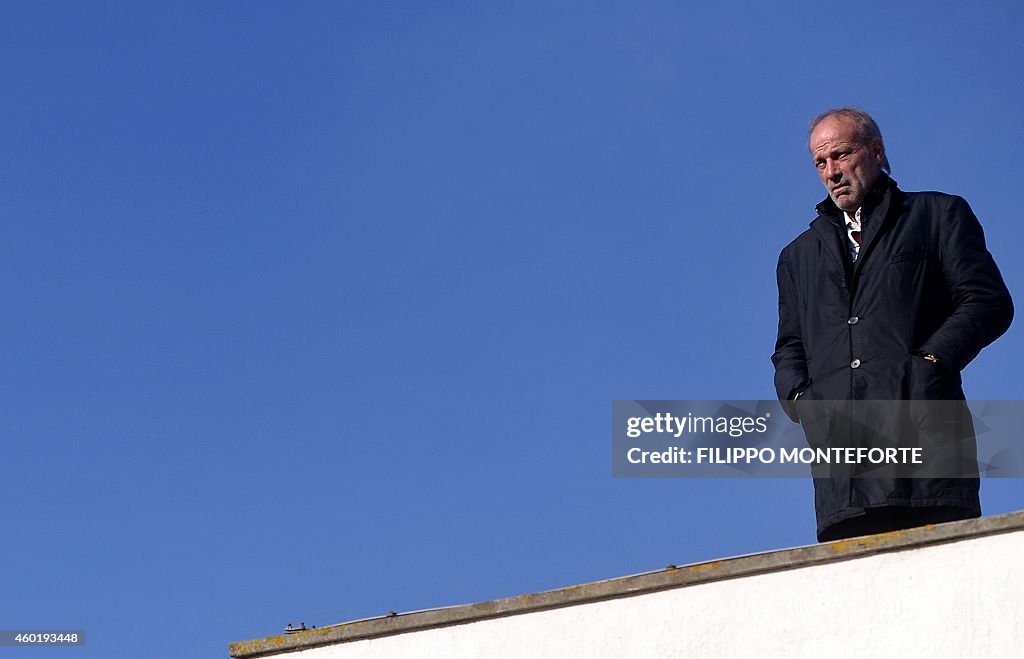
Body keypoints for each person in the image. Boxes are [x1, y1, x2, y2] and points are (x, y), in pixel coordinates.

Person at [772, 108, 1013, 542]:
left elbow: (988, 301)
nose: (832, 172)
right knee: (858, 598)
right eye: (820, 163)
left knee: (947, 588)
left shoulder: (937, 215)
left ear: (877, 151)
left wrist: (930, 363)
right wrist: (801, 398)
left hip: (929, 458)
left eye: (841, 155)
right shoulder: (798, 256)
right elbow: (790, 345)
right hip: (843, 477)